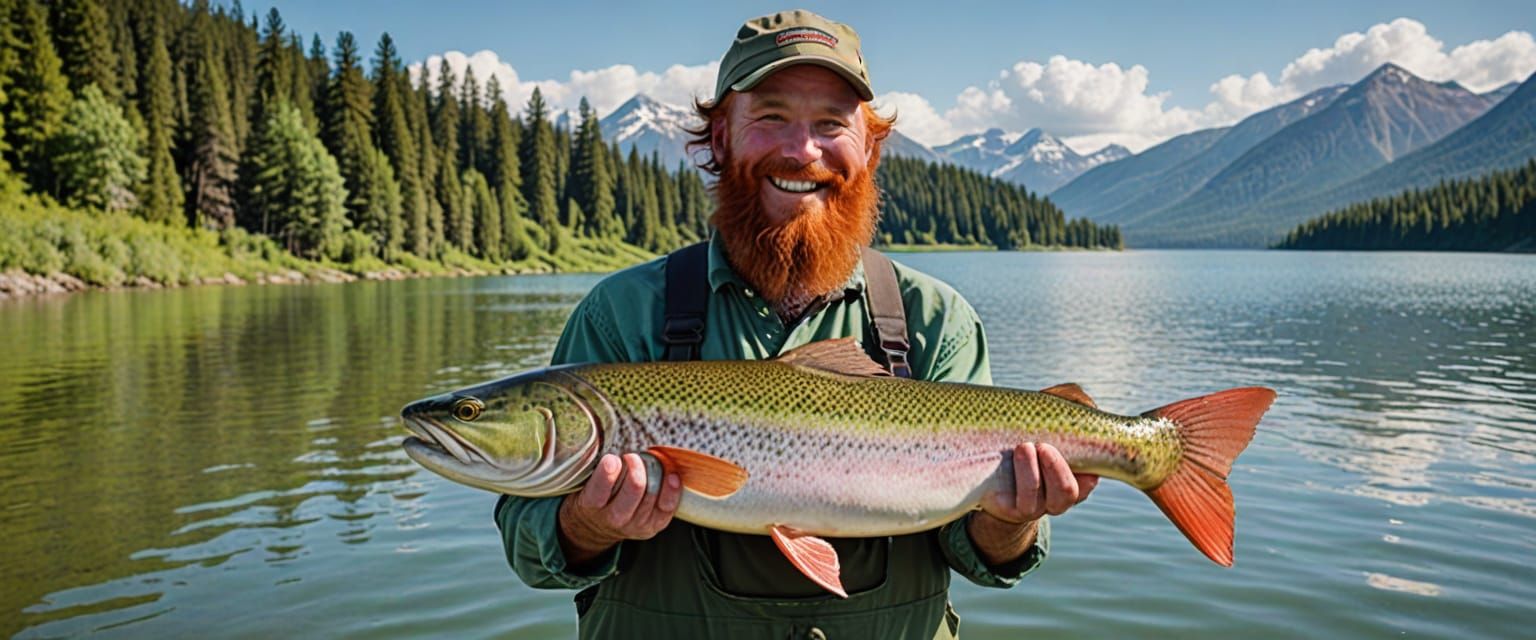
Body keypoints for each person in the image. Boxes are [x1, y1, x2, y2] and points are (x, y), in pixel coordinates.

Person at [494, 10, 1098, 638]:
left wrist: (1011, 519)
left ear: (870, 148)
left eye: (831, 124)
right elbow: (527, 545)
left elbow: (991, 558)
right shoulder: (620, 314)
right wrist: (588, 524)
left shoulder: (935, 320)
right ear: (720, 136)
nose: (801, 150)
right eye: (771, 117)